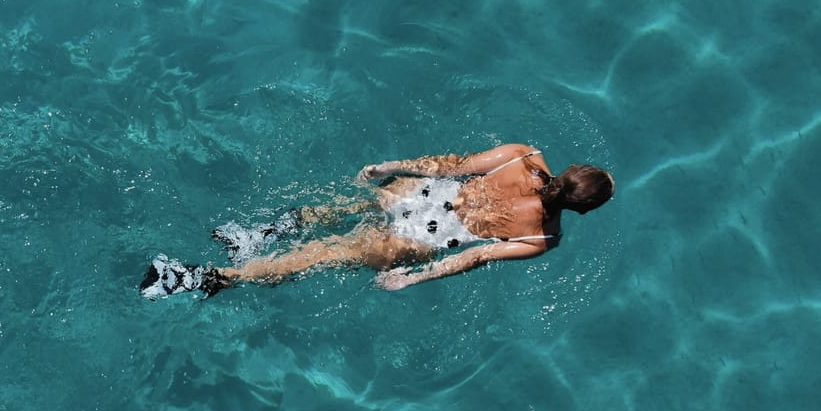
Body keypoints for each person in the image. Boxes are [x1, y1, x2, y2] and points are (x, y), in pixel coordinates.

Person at [139, 143, 614, 299]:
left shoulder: (523, 155)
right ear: (583, 209)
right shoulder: (541, 237)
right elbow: (474, 257)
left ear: (571, 170)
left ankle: (257, 235)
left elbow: (451, 163)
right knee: (326, 254)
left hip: (427, 193)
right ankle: (210, 278)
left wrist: (392, 168)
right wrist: (412, 279)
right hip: (426, 239)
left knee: (344, 208)